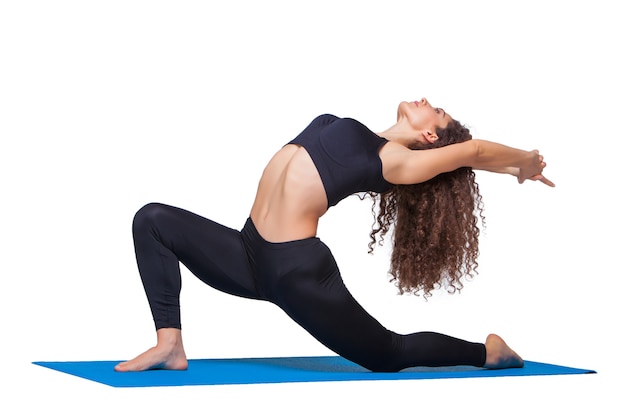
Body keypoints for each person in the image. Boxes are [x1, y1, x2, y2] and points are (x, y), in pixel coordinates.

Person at [114, 98, 553, 373]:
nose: (428, 99)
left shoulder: (396, 160)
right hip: (246, 254)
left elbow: (472, 153)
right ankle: (169, 345)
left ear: (429, 135)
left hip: (294, 272)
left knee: (386, 354)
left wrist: (524, 162)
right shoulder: (349, 127)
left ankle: (487, 353)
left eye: (437, 110)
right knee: (152, 220)